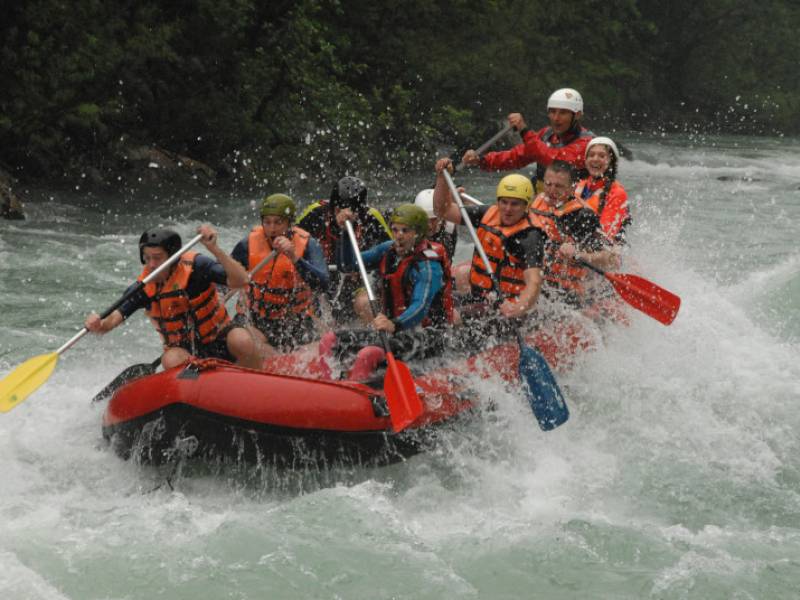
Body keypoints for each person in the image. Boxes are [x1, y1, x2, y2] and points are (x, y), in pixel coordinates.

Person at [84, 225, 262, 370]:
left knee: (242, 339)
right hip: (185, 353)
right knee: (170, 359)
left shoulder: (198, 267)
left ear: (173, 257)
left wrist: (214, 249)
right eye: (147, 258)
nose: (152, 265)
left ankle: (256, 385)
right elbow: (114, 319)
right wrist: (99, 324)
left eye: (158, 258)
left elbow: (241, 280)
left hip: (219, 339)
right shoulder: (143, 287)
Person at [318, 204, 454, 381]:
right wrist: (345, 234)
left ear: (418, 233)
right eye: (395, 230)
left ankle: (354, 398)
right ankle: (327, 387)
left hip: (430, 336)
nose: (399, 236)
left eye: (406, 231)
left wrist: (395, 324)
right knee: (329, 340)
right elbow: (348, 265)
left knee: (368, 354)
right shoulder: (387, 251)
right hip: (394, 332)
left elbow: (420, 306)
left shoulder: (428, 265)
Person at [433, 159, 545, 349]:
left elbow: (533, 282)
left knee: (452, 314)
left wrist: (517, 308)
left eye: (515, 204)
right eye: (504, 202)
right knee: (436, 306)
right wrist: (442, 179)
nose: (507, 209)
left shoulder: (529, 237)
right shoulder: (489, 213)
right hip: (481, 298)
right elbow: (442, 210)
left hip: (505, 306)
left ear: (527, 206)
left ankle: (449, 356)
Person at [231, 193, 329, 353]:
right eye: (267, 222)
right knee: (243, 341)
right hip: (255, 317)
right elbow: (225, 277)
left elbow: (323, 283)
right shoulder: (246, 244)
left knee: (320, 349)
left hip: (296, 319)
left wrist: (294, 257)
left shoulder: (309, 245)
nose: (272, 229)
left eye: (278, 222)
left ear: (290, 223)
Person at [296, 176, 392, 323]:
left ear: (360, 210)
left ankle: (373, 340)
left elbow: (392, 251)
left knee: (365, 304)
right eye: (339, 210)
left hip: (355, 281)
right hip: (318, 279)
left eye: (352, 211)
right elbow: (293, 239)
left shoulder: (372, 217)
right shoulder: (315, 213)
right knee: (309, 309)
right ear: (333, 207)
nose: (344, 215)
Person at [529, 160, 621, 308]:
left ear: (572, 189)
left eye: (559, 186)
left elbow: (610, 259)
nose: (551, 190)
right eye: (548, 184)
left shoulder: (582, 217)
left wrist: (579, 253)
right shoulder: (537, 201)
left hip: (566, 294)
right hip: (535, 282)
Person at [461, 88, 594, 185]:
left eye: (563, 113)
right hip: (542, 201)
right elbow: (516, 157)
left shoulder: (588, 143)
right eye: (552, 112)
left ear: (577, 115)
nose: (556, 118)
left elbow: (553, 160)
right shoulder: (546, 135)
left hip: (574, 206)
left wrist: (525, 131)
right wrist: (481, 160)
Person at [574, 136, 630, 244]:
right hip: (575, 244)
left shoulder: (617, 193)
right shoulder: (578, 186)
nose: (595, 159)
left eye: (602, 156)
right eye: (591, 155)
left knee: (586, 216)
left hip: (604, 251)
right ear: (585, 161)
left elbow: (606, 236)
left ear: (611, 162)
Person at [414, 188, 458, 261]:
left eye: (433, 220)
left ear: (441, 218)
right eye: (426, 220)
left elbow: (450, 256)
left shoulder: (449, 227)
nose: (429, 226)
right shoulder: (409, 230)